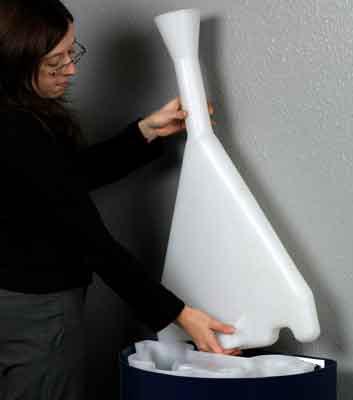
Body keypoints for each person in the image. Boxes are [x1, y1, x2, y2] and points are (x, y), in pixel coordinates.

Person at [0, 1, 239, 399]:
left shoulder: (12, 117)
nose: (71, 69)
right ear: (14, 63)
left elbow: (57, 181)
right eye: (56, 62)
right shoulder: (20, 131)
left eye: (72, 53)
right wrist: (178, 314)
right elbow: (90, 240)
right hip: (36, 312)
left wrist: (146, 131)